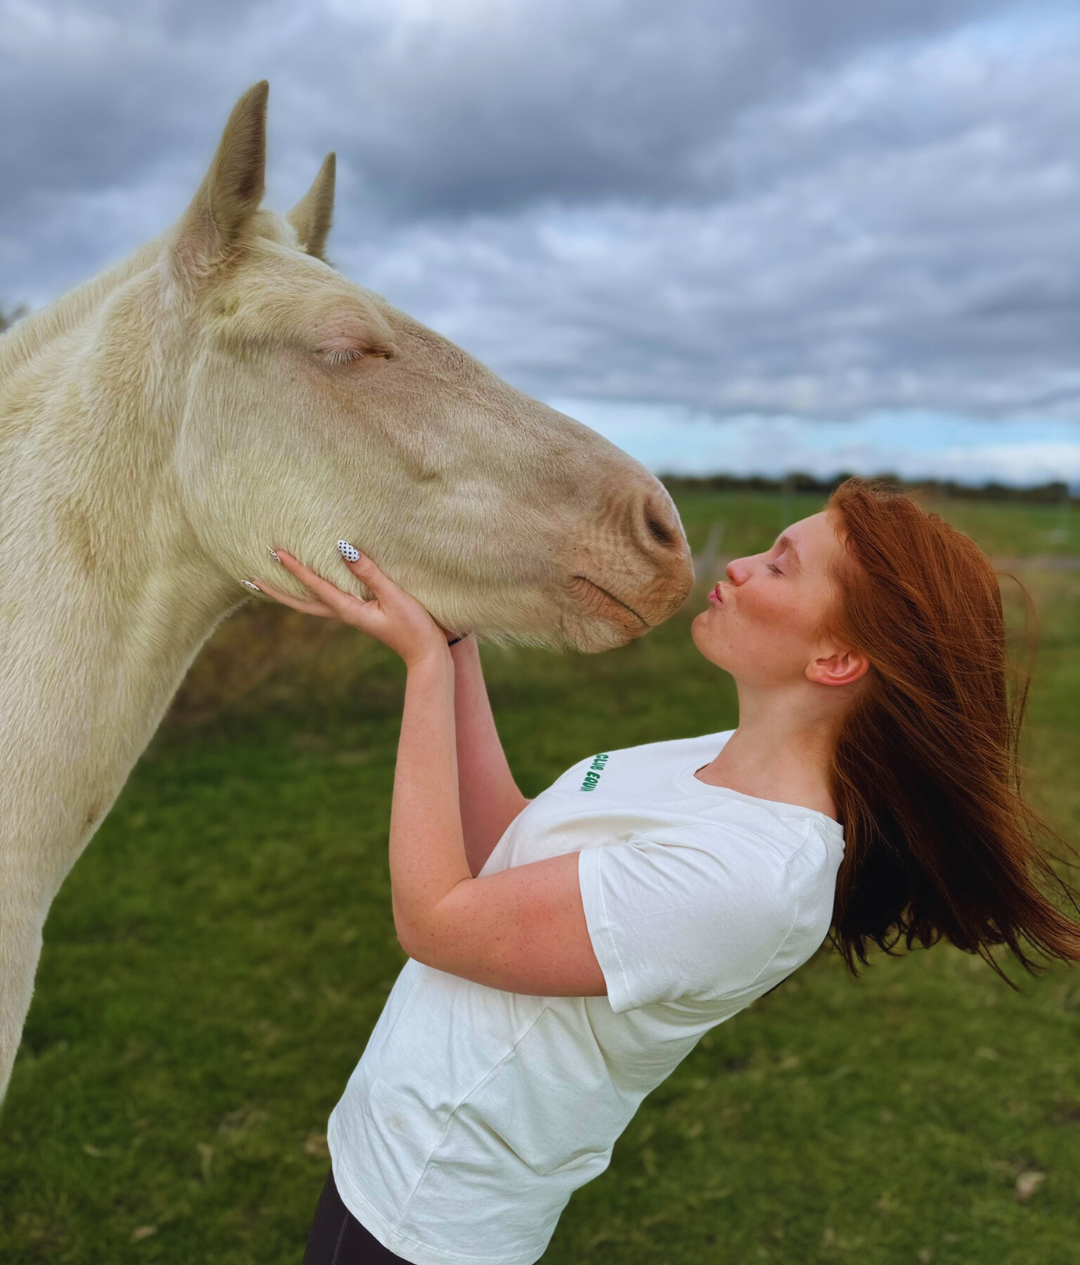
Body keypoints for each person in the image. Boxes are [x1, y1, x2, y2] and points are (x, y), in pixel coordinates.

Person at [250, 479, 1080, 1265]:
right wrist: (455, 642)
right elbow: (514, 846)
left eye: (780, 565)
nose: (738, 566)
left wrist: (423, 672)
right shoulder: (715, 760)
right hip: (388, 1140)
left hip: (427, 1209)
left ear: (835, 658)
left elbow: (438, 922)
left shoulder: (751, 878)